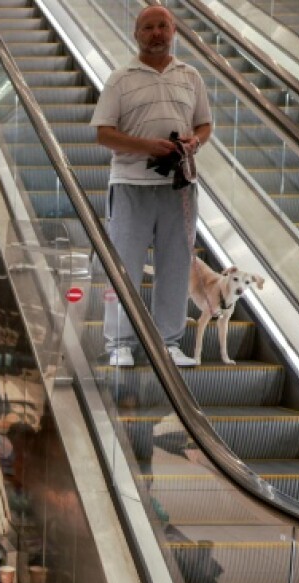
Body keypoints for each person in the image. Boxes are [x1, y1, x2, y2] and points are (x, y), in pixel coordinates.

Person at [92, 5, 211, 368]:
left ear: (173, 31)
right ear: (136, 34)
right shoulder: (120, 79)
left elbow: (205, 124)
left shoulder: (190, 76)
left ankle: (167, 343)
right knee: (124, 265)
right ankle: (119, 343)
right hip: (131, 184)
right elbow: (104, 134)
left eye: (163, 26)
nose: (156, 33)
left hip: (179, 185)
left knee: (176, 264)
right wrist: (146, 146)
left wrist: (195, 141)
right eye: (148, 27)